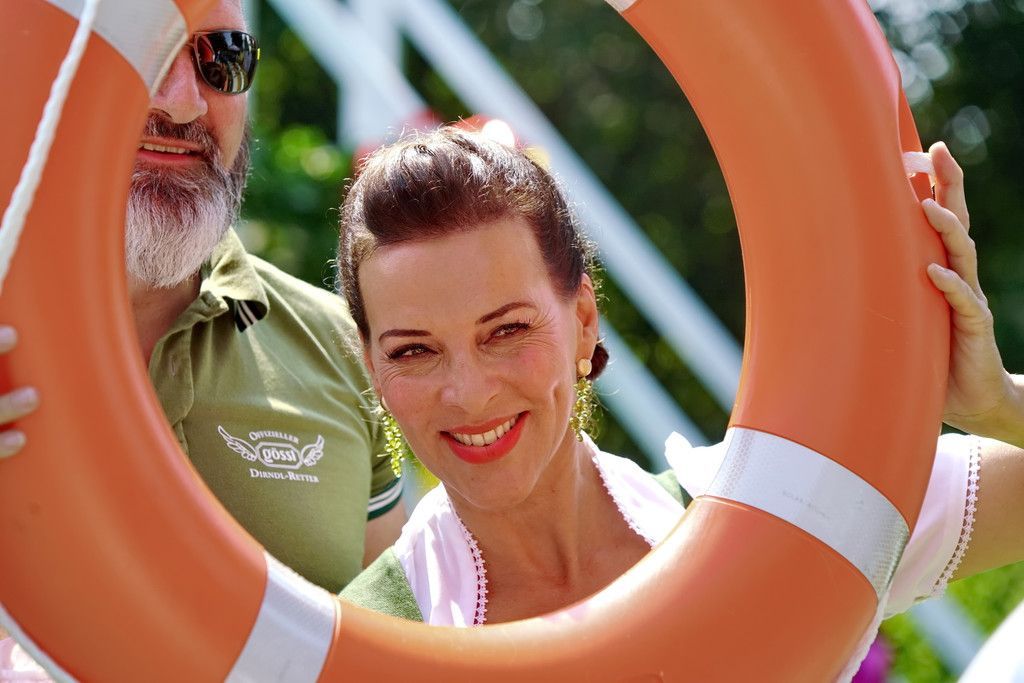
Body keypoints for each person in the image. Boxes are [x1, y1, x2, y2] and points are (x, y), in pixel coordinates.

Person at [334, 126, 1023, 675]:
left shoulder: (777, 513)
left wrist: (994, 405)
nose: (469, 391)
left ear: (583, 320)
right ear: (371, 365)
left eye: (507, 330)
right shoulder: (359, 649)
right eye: (413, 351)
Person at [0, 0, 403, 595]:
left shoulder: (346, 347)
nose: (185, 102)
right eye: (143, 52)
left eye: (222, 57)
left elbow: (395, 624)